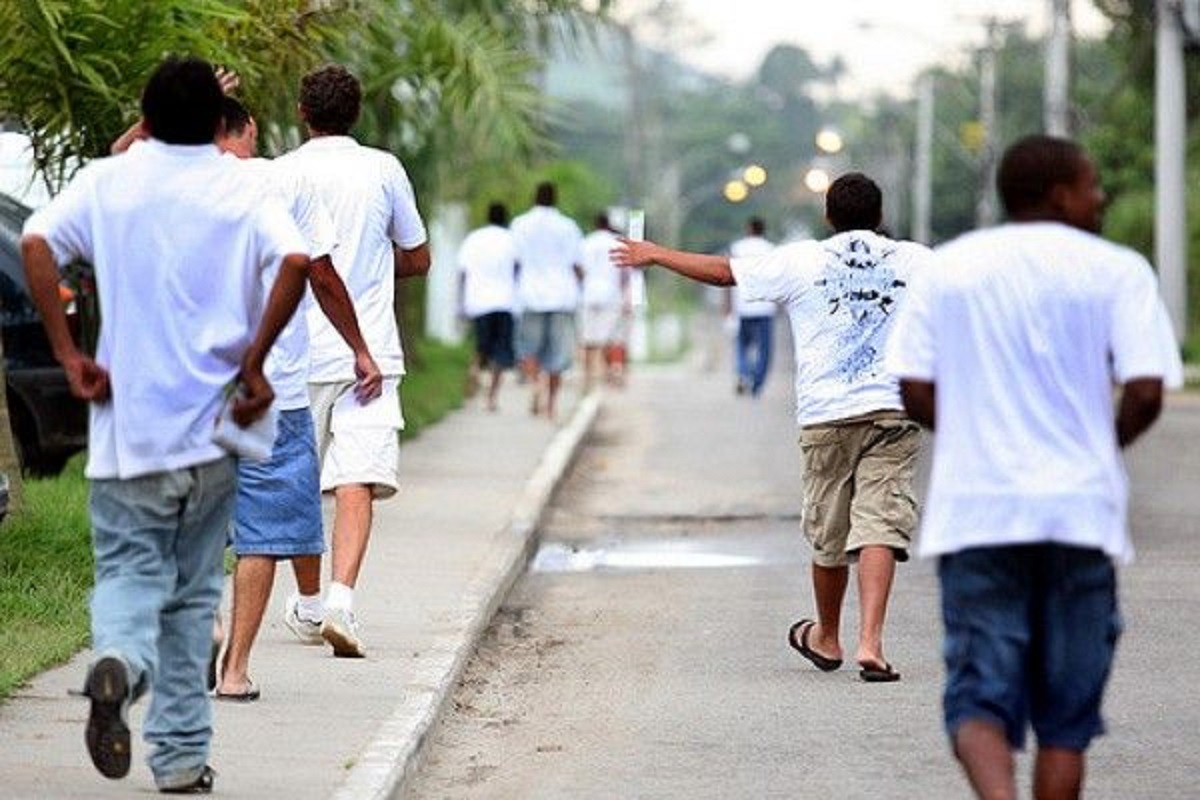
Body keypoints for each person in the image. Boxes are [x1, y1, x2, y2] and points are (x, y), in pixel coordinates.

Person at [21, 57, 309, 793]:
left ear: (144, 121)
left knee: (128, 573)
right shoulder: (242, 186)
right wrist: (255, 361)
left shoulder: (110, 182)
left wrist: (68, 354)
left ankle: (117, 658)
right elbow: (298, 260)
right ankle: (179, 760)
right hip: (214, 434)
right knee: (189, 599)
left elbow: (35, 243)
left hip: (128, 434)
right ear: (221, 124)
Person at [885, 135, 1181, 800]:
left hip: (979, 515)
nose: (1100, 196)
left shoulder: (950, 268)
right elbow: (1146, 391)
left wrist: (972, 440)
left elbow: (913, 385)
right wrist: (1094, 450)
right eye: (1092, 185)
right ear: (1059, 194)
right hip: (1079, 515)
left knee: (978, 700)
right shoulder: (1118, 270)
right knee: (1065, 722)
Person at [614, 173, 931, 682]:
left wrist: (656, 253)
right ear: (879, 217)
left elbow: (723, 274)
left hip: (827, 415)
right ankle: (871, 643)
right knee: (881, 522)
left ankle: (827, 637)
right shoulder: (917, 261)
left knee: (830, 533)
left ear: (828, 217)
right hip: (893, 410)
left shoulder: (802, 259)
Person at [208, 96, 382, 698]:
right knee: (261, 533)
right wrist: (360, 347)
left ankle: (205, 620)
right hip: (270, 393)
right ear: (249, 128)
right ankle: (234, 672)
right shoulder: (285, 181)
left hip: (186, 390)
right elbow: (322, 276)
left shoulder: (172, 187)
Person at [275, 64, 430, 658]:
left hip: (298, 355)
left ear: (302, 112)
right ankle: (341, 600)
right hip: (372, 355)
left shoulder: (282, 173)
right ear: (356, 113)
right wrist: (372, 263)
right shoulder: (384, 169)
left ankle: (311, 605)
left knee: (296, 484)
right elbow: (417, 258)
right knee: (354, 480)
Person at [511, 181, 583, 419]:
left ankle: (535, 386)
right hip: (562, 296)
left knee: (529, 348)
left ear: (535, 198)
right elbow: (577, 265)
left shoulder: (520, 225)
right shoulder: (568, 227)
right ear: (555, 199)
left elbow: (515, 262)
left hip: (530, 294)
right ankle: (551, 405)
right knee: (557, 354)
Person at [457, 202, 518, 411]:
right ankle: (491, 397)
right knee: (500, 353)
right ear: (505, 217)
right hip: (504, 301)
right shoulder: (511, 239)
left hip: (478, 301)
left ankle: (474, 370)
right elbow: (519, 268)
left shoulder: (474, 239)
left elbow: (463, 273)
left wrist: (462, 303)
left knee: (481, 347)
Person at [578, 212, 629, 390]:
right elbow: (624, 273)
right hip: (611, 294)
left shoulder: (586, 242)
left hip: (589, 294)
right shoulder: (618, 242)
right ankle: (610, 373)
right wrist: (626, 297)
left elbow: (579, 269)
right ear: (609, 224)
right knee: (610, 338)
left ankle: (587, 377)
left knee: (587, 340)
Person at [727, 217, 776, 396]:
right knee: (764, 349)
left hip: (743, 306)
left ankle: (743, 373)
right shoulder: (771, 250)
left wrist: (727, 307)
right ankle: (757, 383)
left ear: (748, 229)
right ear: (763, 230)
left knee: (741, 345)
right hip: (765, 307)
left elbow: (727, 276)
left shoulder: (738, 248)